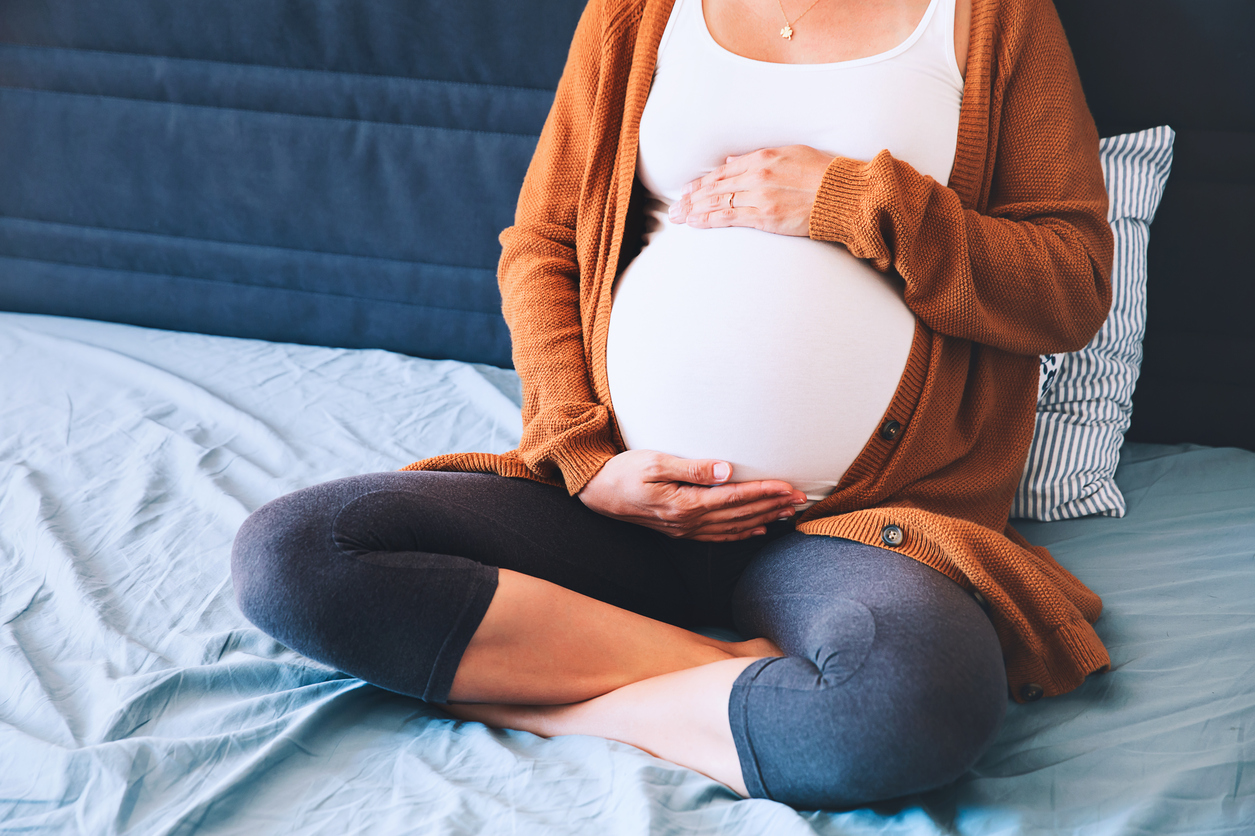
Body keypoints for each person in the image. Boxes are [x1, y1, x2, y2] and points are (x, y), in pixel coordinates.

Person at [232, 0, 1114, 809]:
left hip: (853, 528)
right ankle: (725, 672)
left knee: (906, 710)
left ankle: (551, 694)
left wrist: (852, 200)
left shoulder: (994, 17)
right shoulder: (639, 9)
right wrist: (583, 462)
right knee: (298, 555)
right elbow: (542, 246)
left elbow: (1068, 286)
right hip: (622, 507)